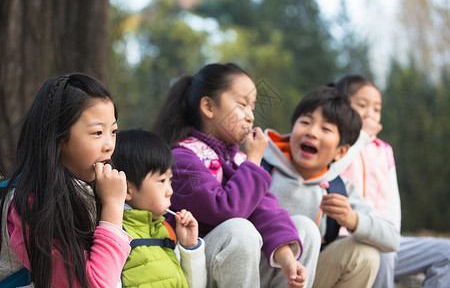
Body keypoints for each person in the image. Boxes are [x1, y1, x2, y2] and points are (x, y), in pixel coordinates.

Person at [153, 63, 321, 288]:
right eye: (242, 104)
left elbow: (266, 210)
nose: (251, 116)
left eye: (252, 107)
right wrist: (253, 162)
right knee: (239, 230)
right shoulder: (183, 158)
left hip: (237, 268)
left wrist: (288, 258)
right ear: (209, 107)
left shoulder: (238, 159)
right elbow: (226, 210)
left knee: (305, 229)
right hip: (193, 269)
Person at [0, 74, 131, 287]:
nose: (109, 145)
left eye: (114, 131)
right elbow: (92, 283)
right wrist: (113, 207)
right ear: (59, 136)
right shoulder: (30, 202)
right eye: (97, 132)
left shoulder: (90, 189)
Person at [262, 85, 400, 288]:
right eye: (306, 122)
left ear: (341, 152)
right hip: (255, 276)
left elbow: (392, 239)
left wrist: (352, 219)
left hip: (302, 280)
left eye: (325, 129)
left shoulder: (337, 187)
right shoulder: (260, 167)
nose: (312, 132)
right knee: (302, 227)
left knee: (365, 256)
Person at [335, 74, 450, 288]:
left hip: (386, 240)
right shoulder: (335, 143)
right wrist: (360, 138)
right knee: (383, 254)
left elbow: (393, 201)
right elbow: (332, 172)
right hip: (345, 239)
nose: (370, 114)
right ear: (341, 107)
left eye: (376, 109)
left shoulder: (384, 150)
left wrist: (391, 237)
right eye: (362, 105)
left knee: (446, 252)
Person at [111, 128, 206, 288]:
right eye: (161, 181)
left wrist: (189, 247)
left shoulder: (166, 231)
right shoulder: (116, 235)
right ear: (127, 190)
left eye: (170, 180)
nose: (170, 190)